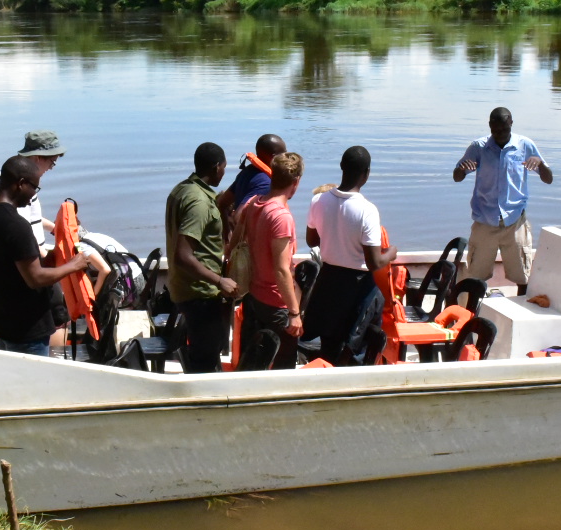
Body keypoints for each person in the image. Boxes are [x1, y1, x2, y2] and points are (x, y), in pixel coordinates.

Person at [0, 155, 96, 355]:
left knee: (10, 373)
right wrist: (74, 265)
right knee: (32, 376)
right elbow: (35, 278)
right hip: (25, 328)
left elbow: (11, 265)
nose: (33, 196)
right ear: (21, 184)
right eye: (34, 188)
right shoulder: (16, 225)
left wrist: (52, 258)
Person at [305, 146, 396, 366]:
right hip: (358, 287)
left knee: (328, 344)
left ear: (341, 167)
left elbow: (312, 240)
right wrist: (391, 253)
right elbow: (374, 262)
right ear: (367, 173)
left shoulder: (319, 201)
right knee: (357, 348)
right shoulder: (367, 210)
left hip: (328, 281)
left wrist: (334, 238)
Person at [453, 105, 552, 289]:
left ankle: (521, 305)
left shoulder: (525, 145)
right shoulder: (478, 147)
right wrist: (462, 169)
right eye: (495, 130)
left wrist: (540, 164)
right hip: (484, 222)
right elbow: (456, 177)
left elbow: (548, 179)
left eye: (504, 129)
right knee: (474, 278)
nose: (500, 134)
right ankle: (474, 306)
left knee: (523, 278)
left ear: (511, 123)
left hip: (515, 222)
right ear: (490, 126)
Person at [165, 142, 236, 373]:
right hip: (200, 293)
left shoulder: (182, 189)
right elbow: (183, 256)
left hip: (183, 287)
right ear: (216, 167)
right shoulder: (200, 203)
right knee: (205, 360)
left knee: (204, 351)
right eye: (223, 168)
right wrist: (220, 281)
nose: (223, 173)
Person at [230, 151, 304, 370]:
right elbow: (281, 270)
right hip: (275, 302)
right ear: (296, 182)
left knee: (254, 362)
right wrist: (294, 313)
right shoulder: (281, 217)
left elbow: (234, 241)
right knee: (282, 367)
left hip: (254, 295)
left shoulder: (254, 203)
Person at [217, 133, 286, 220]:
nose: (286, 159)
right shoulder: (265, 184)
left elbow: (222, 203)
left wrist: (226, 227)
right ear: (274, 157)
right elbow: (239, 215)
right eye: (284, 155)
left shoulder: (247, 172)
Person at [15, 130, 64, 255]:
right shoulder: (20, 184)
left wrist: (56, 230)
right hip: (30, 257)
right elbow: (21, 230)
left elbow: (32, 217)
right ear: (37, 158)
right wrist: (46, 258)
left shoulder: (22, 177)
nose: (51, 168)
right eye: (52, 162)